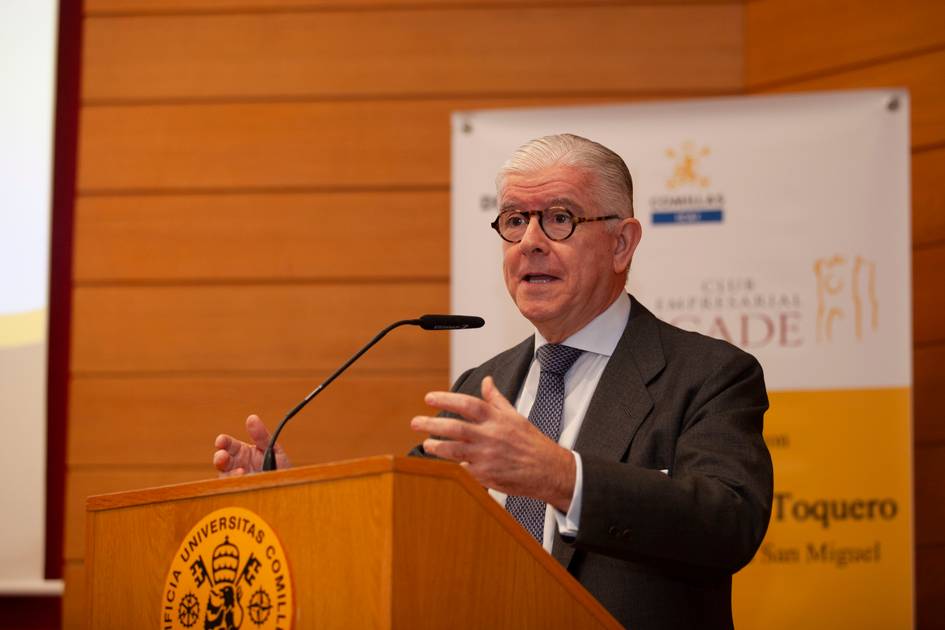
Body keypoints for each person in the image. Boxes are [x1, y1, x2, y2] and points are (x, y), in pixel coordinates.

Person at [213, 134, 773, 629]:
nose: (529, 241)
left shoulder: (707, 375)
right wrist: (290, 495)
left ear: (622, 243)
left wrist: (559, 475)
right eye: (513, 220)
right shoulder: (483, 386)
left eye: (559, 218)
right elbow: (403, 524)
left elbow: (729, 522)